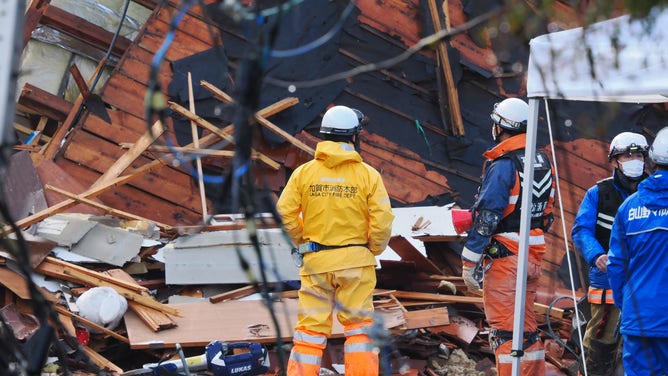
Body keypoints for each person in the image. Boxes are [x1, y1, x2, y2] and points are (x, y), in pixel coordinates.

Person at [276, 105, 395, 376]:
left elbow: (285, 214)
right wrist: (373, 248)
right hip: (356, 263)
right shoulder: (368, 175)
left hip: (316, 262)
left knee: (309, 331)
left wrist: (303, 241)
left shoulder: (304, 173)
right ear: (353, 137)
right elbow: (383, 219)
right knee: (360, 330)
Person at [460, 97, 555, 376]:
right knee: (526, 331)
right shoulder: (542, 160)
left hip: (505, 259)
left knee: (504, 332)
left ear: (501, 127)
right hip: (533, 255)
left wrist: (469, 262)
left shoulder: (504, 164)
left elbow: (488, 216)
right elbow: (546, 214)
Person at [571, 131, 649, 376]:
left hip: (646, 280)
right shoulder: (599, 193)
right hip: (608, 281)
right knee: (602, 340)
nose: (634, 159)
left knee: (646, 343)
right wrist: (596, 255)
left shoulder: (654, 193)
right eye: (627, 155)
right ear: (614, 160)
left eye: (638, 154)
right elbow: (582, 230)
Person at [607, 126, 668, 376]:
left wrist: (628, 305)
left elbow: (616, 265)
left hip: (639, 318)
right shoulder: (603, 194)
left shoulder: (628, 207)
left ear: (651, 160)